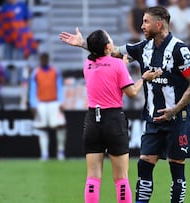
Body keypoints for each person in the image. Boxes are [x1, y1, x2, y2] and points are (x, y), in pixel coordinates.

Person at [59, 6, 190, 203]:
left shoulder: (180, 50)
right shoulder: (143, 47)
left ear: (158, 24)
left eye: (146, 22)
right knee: (144, 165)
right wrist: (84, 43)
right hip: (153, 119)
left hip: (178, 119)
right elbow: (111, 51)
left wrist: (175, 109)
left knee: (176, 167)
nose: (141, 26)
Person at [62, 29, 161, 203]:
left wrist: (84, 44)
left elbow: (101, 60)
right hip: (113, 120)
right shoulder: (117, 65)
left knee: (93, 177)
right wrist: (144, 78)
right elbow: (131, 92)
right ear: (108, 46)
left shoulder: (87, 64)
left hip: (92, 120)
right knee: (121, 178)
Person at [29, 53, 68, 161]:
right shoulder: (35, 73)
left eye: (46, 59)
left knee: (60, 126)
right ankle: (44, 153)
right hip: (41, 103)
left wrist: (61, 102)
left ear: (48, 59)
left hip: (54, 102)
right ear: (40, 60)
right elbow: (33, 89)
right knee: (42, 128)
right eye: (42, 59)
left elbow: (59, 87)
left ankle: (60, 151)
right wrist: (33, 104)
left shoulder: (55, 71)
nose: (44, 60)